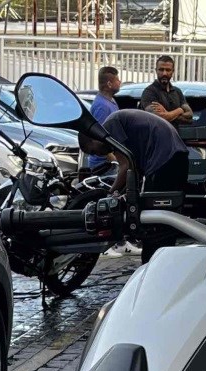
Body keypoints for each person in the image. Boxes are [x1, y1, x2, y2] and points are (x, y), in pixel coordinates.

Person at [79, 109, 188, 262]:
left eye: (93, 151)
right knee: (165, 220)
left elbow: (126, 166)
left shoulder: (111, 126)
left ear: (93, 139)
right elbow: (133, 170)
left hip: (165, 158)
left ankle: (153, 263)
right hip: (175, 155)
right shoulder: (118, 122)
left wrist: (110, 194)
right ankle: (162, 260)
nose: (98, 155)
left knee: (155, 221)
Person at [86, 66, 120, 174]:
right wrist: (113, 159)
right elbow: (99, 137)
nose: (120, 82)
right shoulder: (102, 107)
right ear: (109, 84)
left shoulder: (110, 101)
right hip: (103, 165)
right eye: (117, 80)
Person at [139, 55, 190, 127]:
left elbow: (190, 117)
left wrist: (168, 114)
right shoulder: (149, 92)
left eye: (168, 70)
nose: (164, 73)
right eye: (161, 70)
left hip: (174, 134)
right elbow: (158, 118)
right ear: (156, 70)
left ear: (173, 71)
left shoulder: (177, 92)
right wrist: (179, 110)